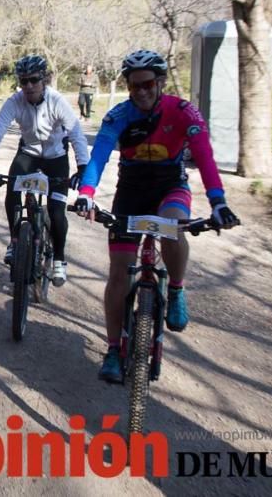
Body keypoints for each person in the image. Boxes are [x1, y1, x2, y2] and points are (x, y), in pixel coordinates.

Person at [73, 49, 239, 383]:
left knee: (173, 226)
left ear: (160, 82)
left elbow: (204, 155)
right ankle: (112, 349)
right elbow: (101, 154)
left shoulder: (182, 112)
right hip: (131, 191)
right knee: (119, 274)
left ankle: (176, 288)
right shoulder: (119, 115)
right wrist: (86, 194)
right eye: (134, 86)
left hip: (169, 187)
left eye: (148, 84)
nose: (142, 92)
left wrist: (218, 201)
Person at [0, 55, 89, 285]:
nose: (28, 86)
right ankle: (15, 242)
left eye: (33, 80)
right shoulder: (15, 101)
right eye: (23, 81)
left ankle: (59, 259)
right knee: (12, 193)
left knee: (56, 211)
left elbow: (76, 134)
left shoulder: (56, 101)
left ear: (44, 79)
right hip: (29, 155)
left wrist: (83, 166)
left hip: (56, 157)